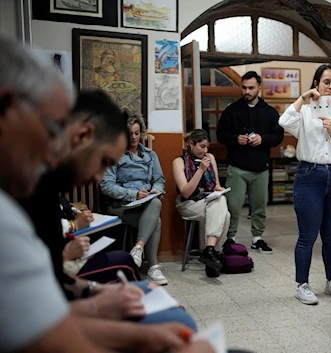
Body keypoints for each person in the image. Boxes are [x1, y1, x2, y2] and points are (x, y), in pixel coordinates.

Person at [0, 37, 201, 353]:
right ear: (7, 108)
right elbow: (49, 338)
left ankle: (140, 252)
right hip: (121, 207)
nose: (53, 152)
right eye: (53, 130)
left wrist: (94, 292)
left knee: (154, 205)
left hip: (136, 212)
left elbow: (50, 300)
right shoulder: (13, 208)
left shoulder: (29, 194)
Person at [21, 90, 196, 329]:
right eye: (104, 161)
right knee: (176, 320)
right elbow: (37, 318)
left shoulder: (45, 191)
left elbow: (58, 279)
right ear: (82, 137)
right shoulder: (25, 195)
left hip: (68, 294)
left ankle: (142, 259)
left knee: (159, 300)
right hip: (59, 315)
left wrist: (100, 292)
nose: (97, 176)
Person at [279, 64, 331, 305]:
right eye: (326, 82)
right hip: (309, 175)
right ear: (316, 83)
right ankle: (302, 284)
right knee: (307, 235)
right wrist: (304, 98)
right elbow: (284, 121)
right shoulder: (305, 111)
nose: (330, 87)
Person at [216, 71, 284, 253]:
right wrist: (235, 139)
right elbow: (220, 134)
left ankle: (257, 237)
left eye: (251, 88)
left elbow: (278, 136)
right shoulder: (232, 110)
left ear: (259, 88)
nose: (247, 91)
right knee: (233, 206)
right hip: (237, 167)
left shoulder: (270, 112)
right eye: (244, 87)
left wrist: (263, 139)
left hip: (260, 168)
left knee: (260, 206)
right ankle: (229, 238)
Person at [101, 112, 168, 285]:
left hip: (144, 205)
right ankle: (152, 265)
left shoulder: (150, 155)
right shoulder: (115, 156)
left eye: (137, 133)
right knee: (156, 217)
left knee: (155, 202)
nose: (134, 137)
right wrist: (133, 194)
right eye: (129, 134)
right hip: (121, 206)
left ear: (142, 133)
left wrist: (156, 190)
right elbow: (106, 186)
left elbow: (159, 179)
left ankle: (138, 249)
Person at [173, 129, 231, 271]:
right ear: (191, 144)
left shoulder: (210, 157)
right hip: (187, 203)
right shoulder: (179, 162)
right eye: (202, 146)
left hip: (208, 200)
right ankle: (213, 254)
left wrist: (219, 189)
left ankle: (210, 252)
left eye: (207, 147)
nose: (205, 151)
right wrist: (200, 170)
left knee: (222, 204)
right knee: (224, 215)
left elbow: (216, 185)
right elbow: (186, 193)